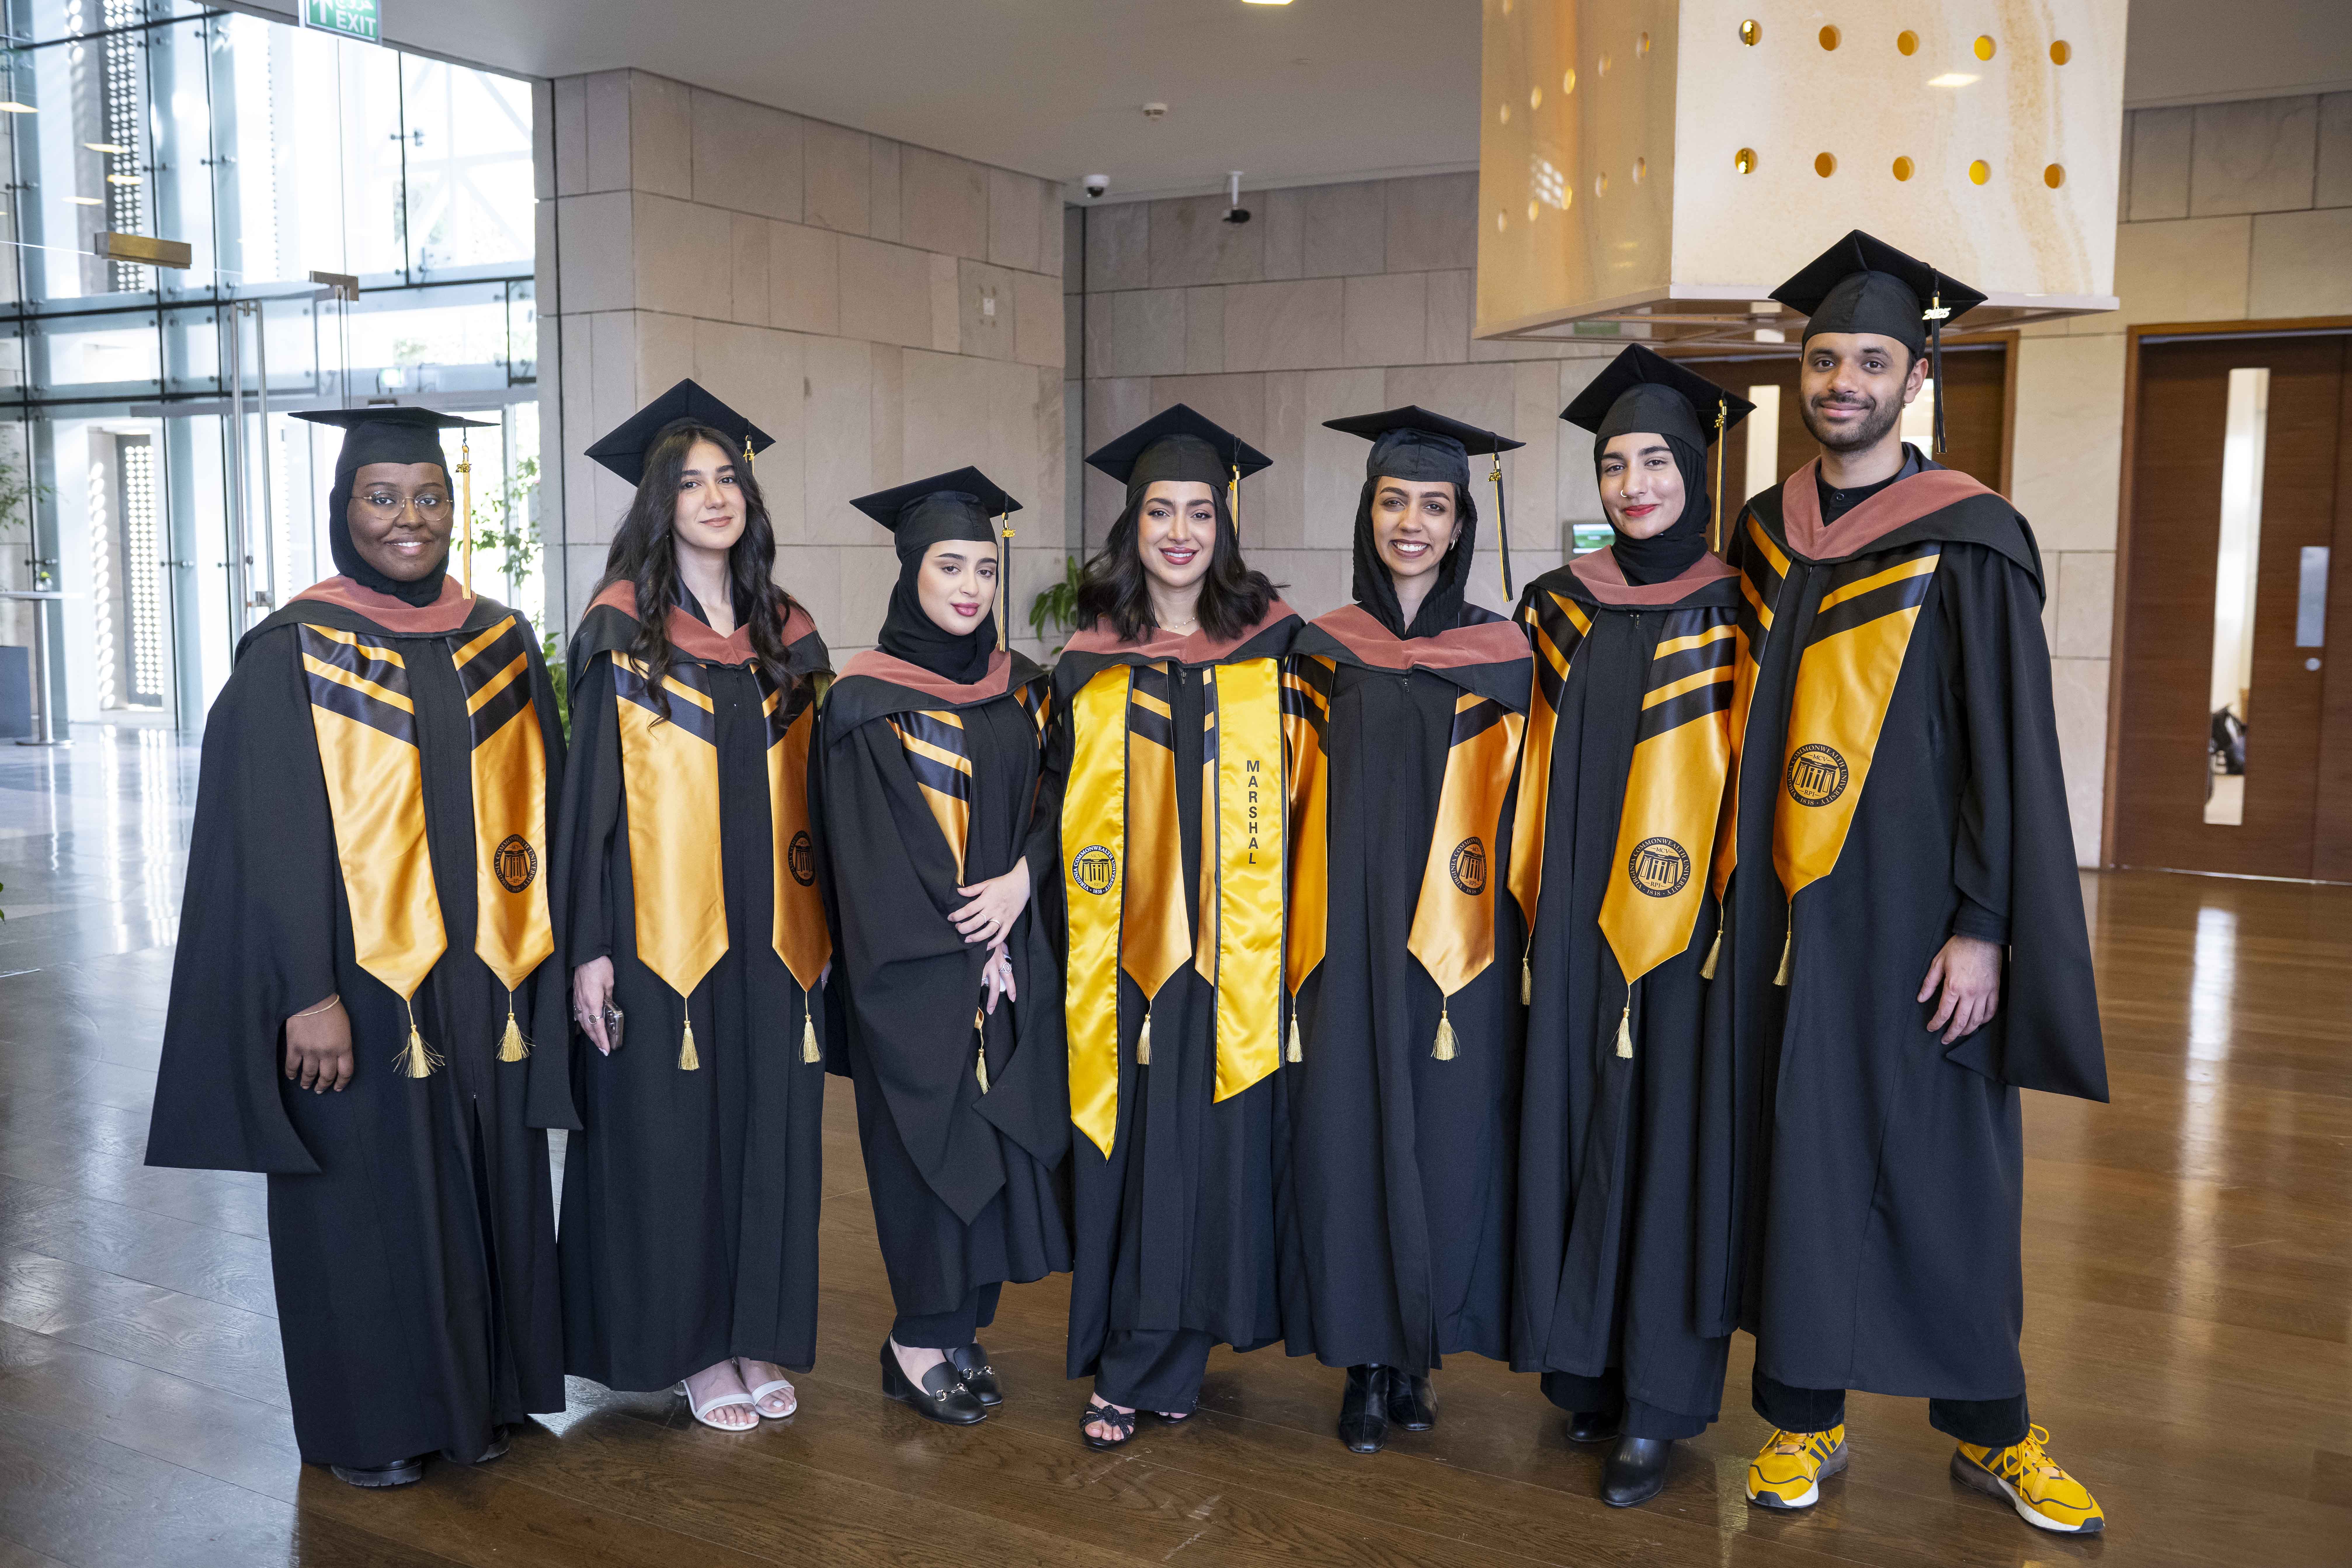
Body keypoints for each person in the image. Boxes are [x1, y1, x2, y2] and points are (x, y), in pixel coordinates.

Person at [1713, 232, 2109, 1534]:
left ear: (1913, 377)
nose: (1842, 381)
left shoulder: (1972, 534)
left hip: (1922, 912)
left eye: (1870, 361)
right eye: (1824, 358)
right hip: (1784, 915)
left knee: (1951, 1168)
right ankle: (1800, 1414)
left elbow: (2009, 743)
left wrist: (1985, 923)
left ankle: (1991, 1427)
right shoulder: (1766, 531)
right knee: (1801, 1153)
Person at [146, 406, 570, 1487]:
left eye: (429, 498)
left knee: (484, 1175)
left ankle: (484, 1397)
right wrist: (305, 995)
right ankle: (373, 1422)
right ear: (344, 510)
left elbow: (549, 811)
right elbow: (271, 839)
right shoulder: (298, 647)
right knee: (363, 1199)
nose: (409, 520)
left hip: (484, 983)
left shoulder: (500, 640)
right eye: (382, 498)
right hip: (359, 991)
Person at [552, 380, 832, 1433]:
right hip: (659, 930)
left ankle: (755, 1325)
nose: (715, 497)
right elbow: (588, 803)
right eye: (691, 482)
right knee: (676, 1141)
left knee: (772, 1134)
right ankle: (695, 1349)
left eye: (729, 479)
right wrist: (589, 948)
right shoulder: (622, 629)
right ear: (658, 503)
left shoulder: (787, 631)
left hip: (776, 938)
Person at [1506, 348, 1755, 1507]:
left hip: (1688, 939)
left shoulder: (1744, 603)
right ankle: (1587, 1370)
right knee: (1573, 1123)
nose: (1634, 482)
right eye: (1615, 463)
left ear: (1695, 469)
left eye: (1656, 459)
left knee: (1670, 1144)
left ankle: (1659, 1399)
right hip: (1569, 927)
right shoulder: (1558, 605)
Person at [1036, 405, 1302, 1449]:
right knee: (1136, 1151)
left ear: (1224, 526)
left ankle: (1171, 1353)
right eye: (1161, 511)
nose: (1181, 531)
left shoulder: (1279, 645)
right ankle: (1131, 1355)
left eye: (1201, 511)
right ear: (1133, 525)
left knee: (1213, 1149)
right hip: (1126, 952)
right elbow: (1052, 798)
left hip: (1238, 948)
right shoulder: (1089, 659)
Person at [1280, 406, 1534, 1454]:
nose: (1414, 523)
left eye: (1435, 505)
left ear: (1462, 522)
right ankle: (1363, 1362)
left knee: (1444, 1138)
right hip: (1344, 938)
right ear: (1368, 513)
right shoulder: (1319, 647)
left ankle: (1419, 1353)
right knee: (1350, 1137)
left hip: (1459, 944)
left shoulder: (1504, 653)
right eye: (1395, 502)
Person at [810, 467, 1069, 1427]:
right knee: (925, 1156)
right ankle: (916, 1338)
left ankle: (963, 1329)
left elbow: (1058, 809)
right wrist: (962, 948)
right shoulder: (864, 702)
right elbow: (868, 857)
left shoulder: (1023, 692)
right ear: (910, 569)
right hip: (915, 978)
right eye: (949, 565)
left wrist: (1023, 884)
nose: (970, 588)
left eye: (986, 571)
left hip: (1005, 960)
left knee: (995, 1151)